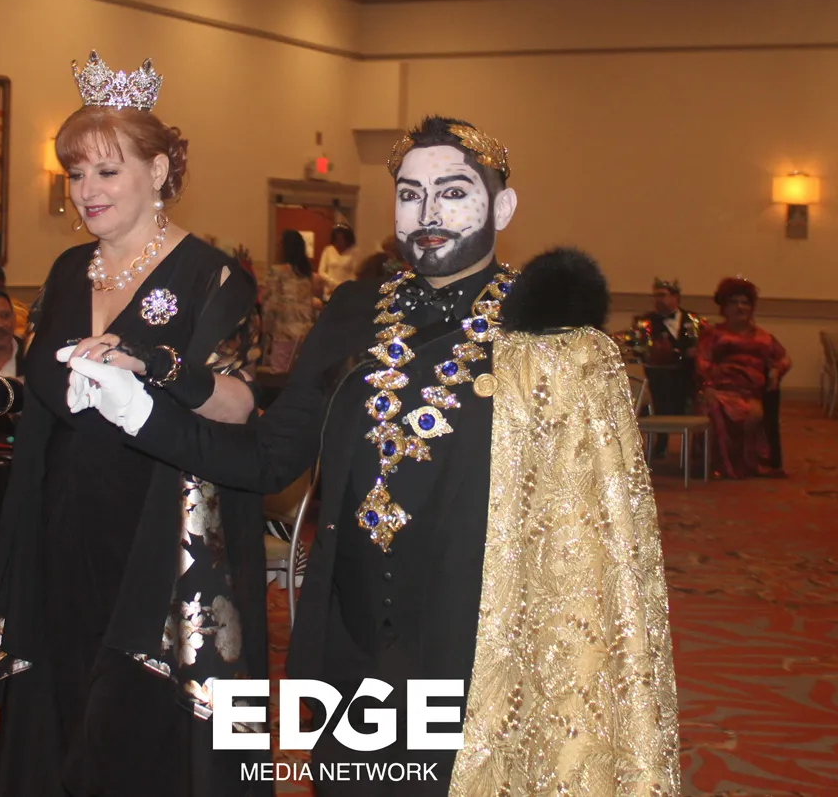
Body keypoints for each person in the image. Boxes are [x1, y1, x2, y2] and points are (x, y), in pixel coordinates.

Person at [64, 117, 680, 796]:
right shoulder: (355, 310)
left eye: (453, 192)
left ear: (503, 207)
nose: (428, 213)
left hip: (478, 635)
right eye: (410, 194)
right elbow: (267, 458)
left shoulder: (548, 335)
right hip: (352, 632)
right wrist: (141, 410)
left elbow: (591, 538)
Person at [0, 50, 269, 797]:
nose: (86, 190)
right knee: (61, 701)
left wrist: (153, 363)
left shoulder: (212, 277)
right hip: (61, 523)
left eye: (106, 171)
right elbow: (50, 397)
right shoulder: (65, 272)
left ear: (159, 171)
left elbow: (240, 405)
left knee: (134, 721)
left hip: (156, 526)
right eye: (75, 173)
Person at [697, 277, 791, 479]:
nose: (740, 307)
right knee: (715, 408)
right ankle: (719, 466)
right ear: (724, 308)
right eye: (734, 302)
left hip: (751, 394)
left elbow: (784, 358)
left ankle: (745, 465)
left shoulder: (764, 337)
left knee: (752, 413)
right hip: (719, 391)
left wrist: (776, 371)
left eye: (745, 303)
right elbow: (702, 362)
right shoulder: (713, 334)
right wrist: (708, 386)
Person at [626, 278, 706, 456]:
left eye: (662, 295)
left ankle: (695, 448)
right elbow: (636, 347)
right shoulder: (644, 322)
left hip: (688, 373)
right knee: (658, 396)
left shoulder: (694, 320)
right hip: (658, 373)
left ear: (675, 297)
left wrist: (694, 352)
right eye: (655, 296)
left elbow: (706, 344)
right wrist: (652, 352)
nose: (658, 300)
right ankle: (660, 443)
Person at [261, 230, 315, 372]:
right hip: (305, 333)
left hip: (285, 331)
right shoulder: (305, 273)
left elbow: (271, 303)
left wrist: (265, 327)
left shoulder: (276, 271)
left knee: (279, 374)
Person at [317, 223, 360, 299]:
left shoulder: (354, 252)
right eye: (337, 239)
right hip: (329, 292)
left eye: (341, 240)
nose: (339, 242)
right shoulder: (328, 250)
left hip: (347, 292)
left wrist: (344, 286)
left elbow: (356, 273)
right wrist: (333, 284)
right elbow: (321, 272)